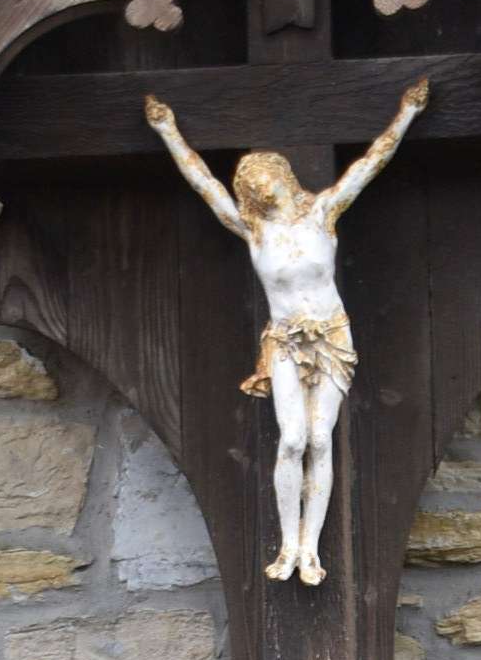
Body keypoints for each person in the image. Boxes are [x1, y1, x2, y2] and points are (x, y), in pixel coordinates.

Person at [144, 76, 430, 585]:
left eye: (265, 177)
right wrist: (168, 130)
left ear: (283, 176)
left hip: (331, 337)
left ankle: (311, 547)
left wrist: (407, 112)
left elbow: (371, 163)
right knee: (292, 439)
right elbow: (204, 183)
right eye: (251, 184)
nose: (260, 187)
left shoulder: (322, 213)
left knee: (320, 438)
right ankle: (287, 544)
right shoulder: (254, 231)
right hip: (284, 340)